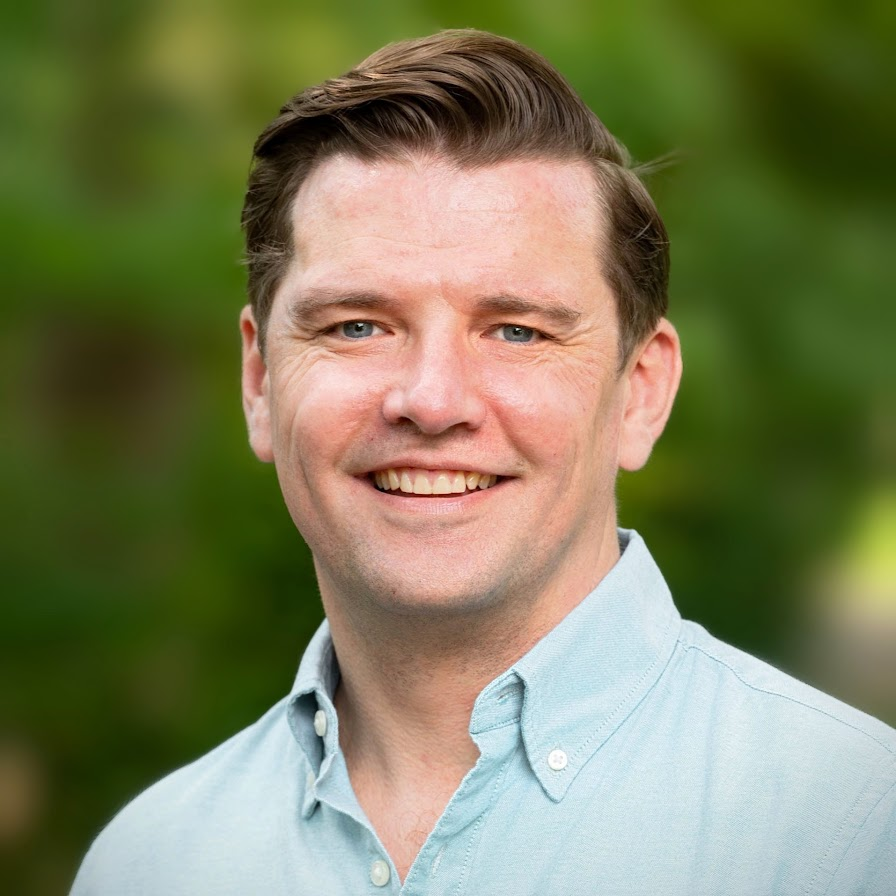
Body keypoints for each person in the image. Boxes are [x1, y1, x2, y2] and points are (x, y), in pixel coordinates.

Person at [70, 29, 895, 895]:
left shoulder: (852, 835)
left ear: (641, 393)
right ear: (260, 381)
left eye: (517, 332)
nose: (431, 401)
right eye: (357, 325)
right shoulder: (150, 865)